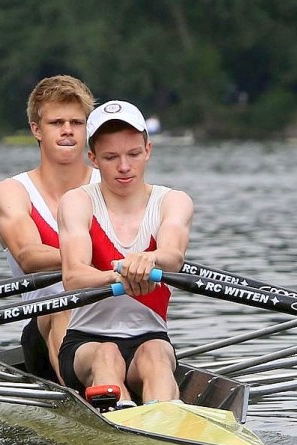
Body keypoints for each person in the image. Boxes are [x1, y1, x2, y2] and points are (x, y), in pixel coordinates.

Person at [56, 100, 194, 407]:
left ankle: (164, 422)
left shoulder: (173, 201)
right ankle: (123, 414)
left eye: (133, 154)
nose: (124, 166)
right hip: (86, 341)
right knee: (107, 354)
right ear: (92, 158)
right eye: (110, 157)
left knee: (156, 355)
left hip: (151, 338)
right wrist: (119, 276)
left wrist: (150, 260)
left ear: (148, 150)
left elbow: (173, 257)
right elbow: (73, 276)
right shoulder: (77, 202)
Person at [0, 75, 99, 382]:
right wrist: (97, 256)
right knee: (60, 307)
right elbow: (28, 255)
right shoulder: (13, 191)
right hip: (45, 325)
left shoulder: (108, 185)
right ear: (36, 129)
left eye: (76, 123)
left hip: (108, 324)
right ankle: (86, 404)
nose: (67, 131)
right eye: (57, 123)